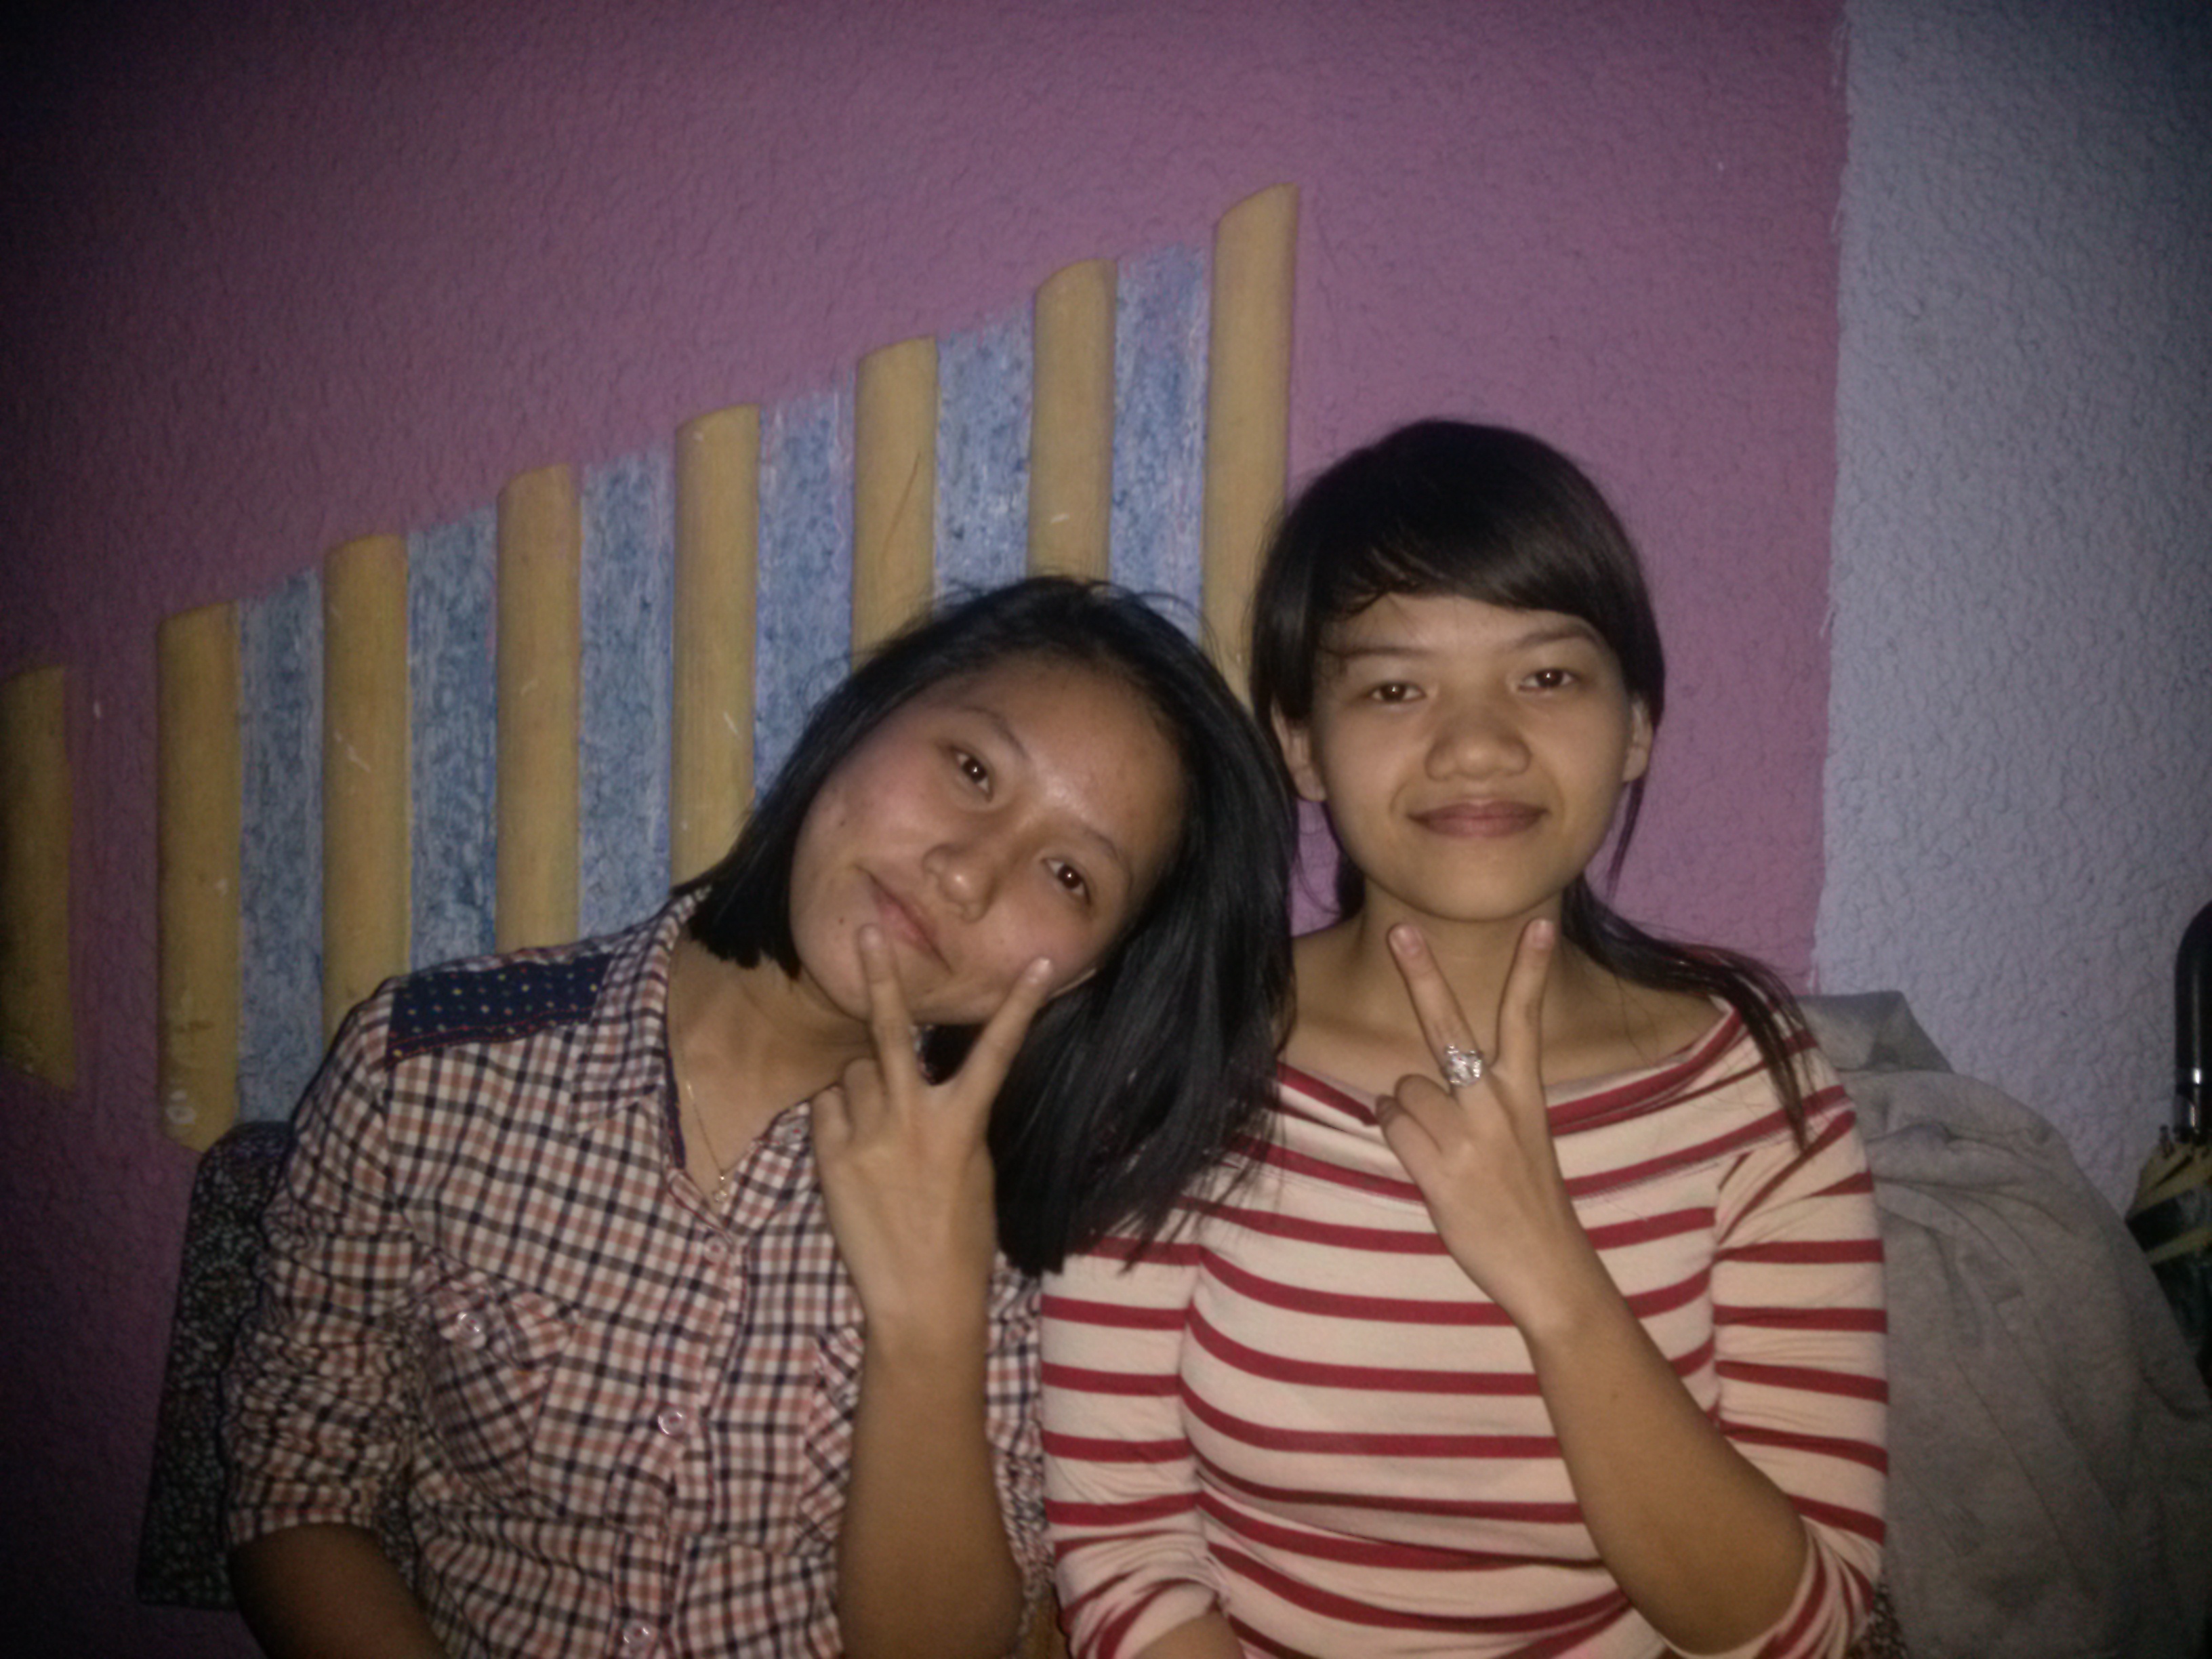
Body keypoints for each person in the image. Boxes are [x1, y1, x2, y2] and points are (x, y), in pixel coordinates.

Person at [224, 577, 1293, 1659]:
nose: (967, 874)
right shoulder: (432, 1068)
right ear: (865, 719)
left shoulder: (1050, 1207)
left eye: (1068, 874)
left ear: (1084, 973)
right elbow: (300, 1488)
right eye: (972, 770)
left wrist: (928, 1318)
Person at [1042, 423, 1887, 1658]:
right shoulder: (1182, 1048)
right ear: (1301, 743)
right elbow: (1126, 1558)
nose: (1478, 745)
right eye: (1395, 688)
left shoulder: (1753, 1081)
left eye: (1547, 678)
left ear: (1638, 724)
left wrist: (1550, 1272)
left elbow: (1795, 1626)